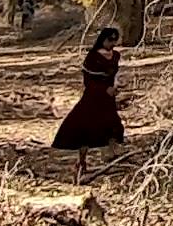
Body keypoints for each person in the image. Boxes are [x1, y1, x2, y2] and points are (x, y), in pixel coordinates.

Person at [51, 27, 126, 182]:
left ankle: (112, 154)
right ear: (102, 39)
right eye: (109, 40)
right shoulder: (92, 57)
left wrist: (116, 86)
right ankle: (81, 161)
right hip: (93, 97)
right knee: (85, 129)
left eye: (114, 40)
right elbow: (89, 81)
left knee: (112, 125)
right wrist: (105, 89)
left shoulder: (116, 56)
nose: (111, 43)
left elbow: (115, 75)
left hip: (108, 100)